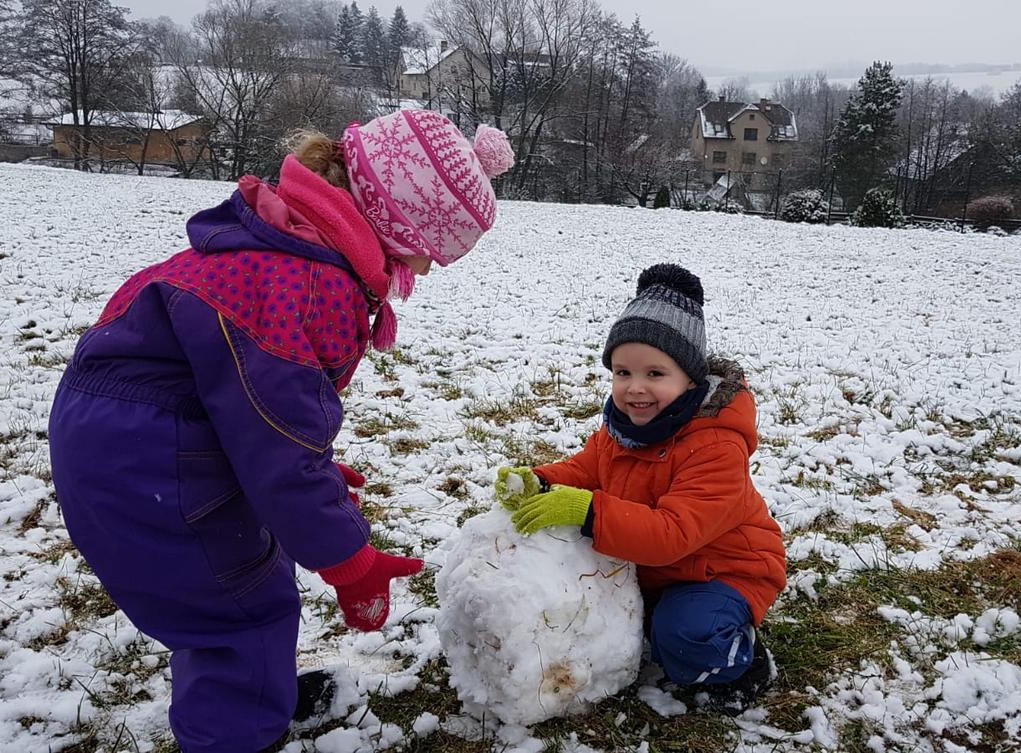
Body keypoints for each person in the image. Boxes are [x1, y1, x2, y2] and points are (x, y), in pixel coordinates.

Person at [48, 109, 514, 752]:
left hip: (127, 438)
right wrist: (350, 560)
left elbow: (257, 411)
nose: (429, 271)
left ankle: (254, 695)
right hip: (149, 461)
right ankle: (236, 736)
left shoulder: (279, 243)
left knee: (233, 583)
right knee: (239, 609)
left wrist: (301, 469)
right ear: (394, 219)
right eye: (428, 250)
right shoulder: (310, 282)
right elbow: (280, 450)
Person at [495, 263, 787, 715]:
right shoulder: (626, 428)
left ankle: (743, 664)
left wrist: (590, 512)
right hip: (655, 570)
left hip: (722, 572)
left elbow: (673, 533)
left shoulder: (715, 445)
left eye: (655, 374)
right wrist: (541, 479)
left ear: (690, 378)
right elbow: (587, 468)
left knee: (684, 637)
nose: (635, 389)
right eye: (622, 372)